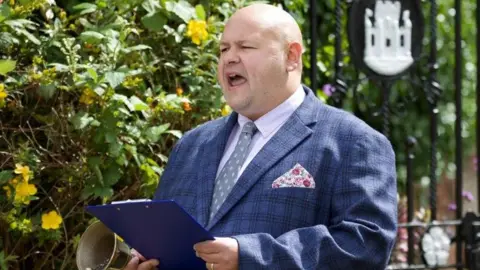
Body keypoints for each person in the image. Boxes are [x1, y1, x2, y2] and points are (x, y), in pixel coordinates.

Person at [125, 3, 397, 270]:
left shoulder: (353, 141)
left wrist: (250, 256)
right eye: (223, 49)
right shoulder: (191, 145)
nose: (229, 57)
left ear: (291, 56)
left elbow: (365, 246)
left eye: (245, 47)